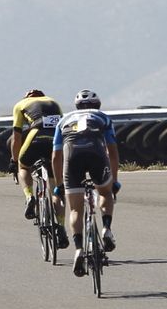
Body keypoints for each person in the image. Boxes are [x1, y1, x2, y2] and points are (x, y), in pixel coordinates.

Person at [50, 89, 121, 277]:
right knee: (104, 192)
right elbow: (112, 152)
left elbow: (56, 156)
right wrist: (114, 181)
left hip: (72, 156)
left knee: (75, 209)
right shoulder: (103, 117)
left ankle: (79, 248)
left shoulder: (63, 120)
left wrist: (58, 185)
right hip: (96, 152)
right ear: (97, 105)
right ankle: (106, 228)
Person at [10, 88, 65, 234]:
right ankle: (61, 226)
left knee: (24, 166)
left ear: (27, 96)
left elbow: (16, 137)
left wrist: (14, 161)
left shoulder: (21, 104)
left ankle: (29, 196)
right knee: (55, 189)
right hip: (55, 139)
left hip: (36, 133)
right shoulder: (54, 102)